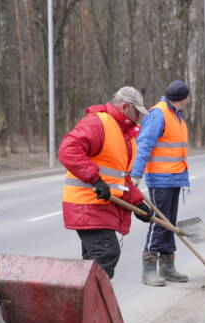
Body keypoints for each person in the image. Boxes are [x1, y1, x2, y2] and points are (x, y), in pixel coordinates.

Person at [58, 86, 153, 279]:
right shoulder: (98, 123)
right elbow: (68, 149)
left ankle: (87, 305)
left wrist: (137, 204)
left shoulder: (124, 133)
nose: (138, 118)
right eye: (136, 112)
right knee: (106, 253)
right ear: (125, 106)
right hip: (88, 204)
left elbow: (120, 177)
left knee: (93, 260)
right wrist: (95, 179)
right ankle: (92, 304)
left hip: (102, 204)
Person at [130, 80, 190, 286]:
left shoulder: (175, 114)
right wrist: (135, 174)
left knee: (169, 224)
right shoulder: (159, 114)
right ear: (182, 99)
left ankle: (167, 266)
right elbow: (144, 144)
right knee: (159, 223)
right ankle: (148, 269)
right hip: (161, 179)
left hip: (174, 177)